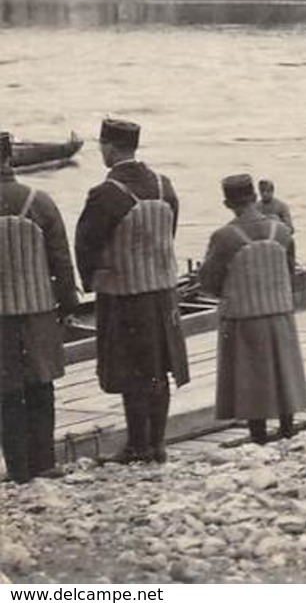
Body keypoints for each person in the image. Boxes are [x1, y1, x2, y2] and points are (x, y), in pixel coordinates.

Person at [73, 118, 189, 464]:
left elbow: (86, 244)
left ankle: (136, 444)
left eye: (102, 146)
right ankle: (157, 444)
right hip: (163, 291)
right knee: (159, 368)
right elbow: (170, 232)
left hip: (124, 295)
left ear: (109, 147)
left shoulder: (107, 194)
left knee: (130, 370)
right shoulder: (163, 185)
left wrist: (91, 280)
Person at [196, 174, 306, 445]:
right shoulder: (281, 231)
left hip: (244, 317)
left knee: (251, 376)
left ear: (227, 203)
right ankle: (287, 429)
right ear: (255, 198)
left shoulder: (224, 237)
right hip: (280, 313)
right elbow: (290, 270)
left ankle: (258, 436)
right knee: (283, 371)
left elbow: (208, 282)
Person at [0, 131, 76, 484]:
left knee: (6, 392)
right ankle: (44, 462)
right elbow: (61, 260)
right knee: (41, 385)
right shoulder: (40, 201)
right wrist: (68, 305)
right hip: (38, 310)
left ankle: (17, 469)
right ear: (10, 159)